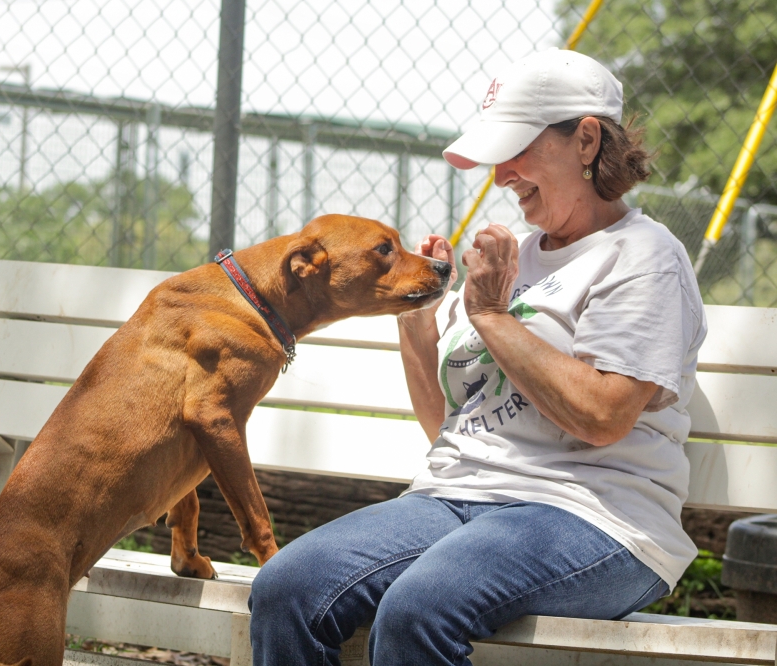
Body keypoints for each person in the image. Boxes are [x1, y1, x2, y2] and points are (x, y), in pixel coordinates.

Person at [248, 48, 707, 666]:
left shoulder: (643, 257)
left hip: (597, 516)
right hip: (457, 497)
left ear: (587, 140)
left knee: (419, 610)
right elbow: (452, 428)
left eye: (517, 150)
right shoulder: (512, 252)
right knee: (287, 589)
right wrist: (416, 325)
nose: (500, 177)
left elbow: (602, 417)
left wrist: (490, 316)